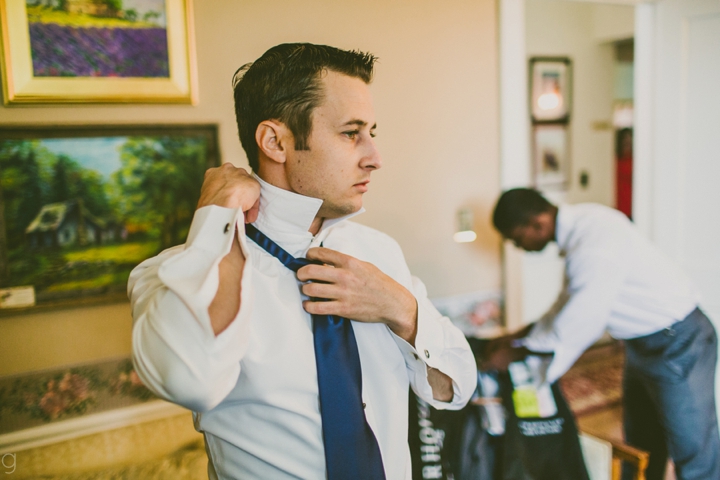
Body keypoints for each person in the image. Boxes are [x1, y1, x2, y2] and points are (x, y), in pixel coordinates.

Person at [128, 43, 477, 480]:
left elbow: (457, 388)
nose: (375, 156)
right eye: (351, 133)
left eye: (372, 132)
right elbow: (190, 380)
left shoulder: (380, 253)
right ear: (275, 141)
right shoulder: (171, 274)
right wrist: (217, 214)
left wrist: (399, 308)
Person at [484, 188, 720, 480]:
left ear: (537, 224)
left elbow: (581, 320)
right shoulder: (583, 229)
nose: (518, 246)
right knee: (642, 438)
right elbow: (566, 303)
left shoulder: (593, 242)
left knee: (693, 448)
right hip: (640, 343)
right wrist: (520, 335)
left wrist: (519, 352)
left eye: (516, 238)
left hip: (679, 341)